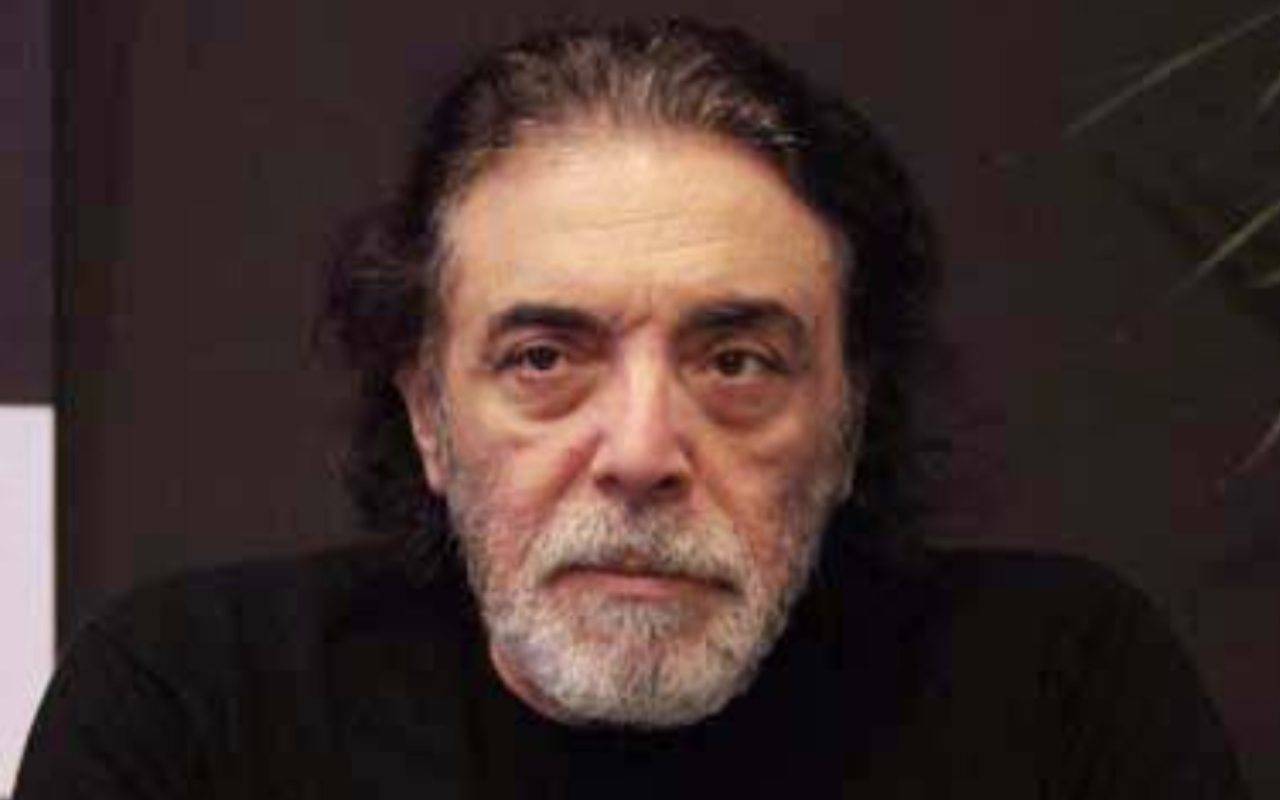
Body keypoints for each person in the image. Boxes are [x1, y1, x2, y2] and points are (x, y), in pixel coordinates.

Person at [15, 17, 1247, 799]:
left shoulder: (1059, 692)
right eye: (545, 357)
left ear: (849, 419)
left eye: (736, 363)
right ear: (429, 418)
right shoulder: (202, 705)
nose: (643, 450)